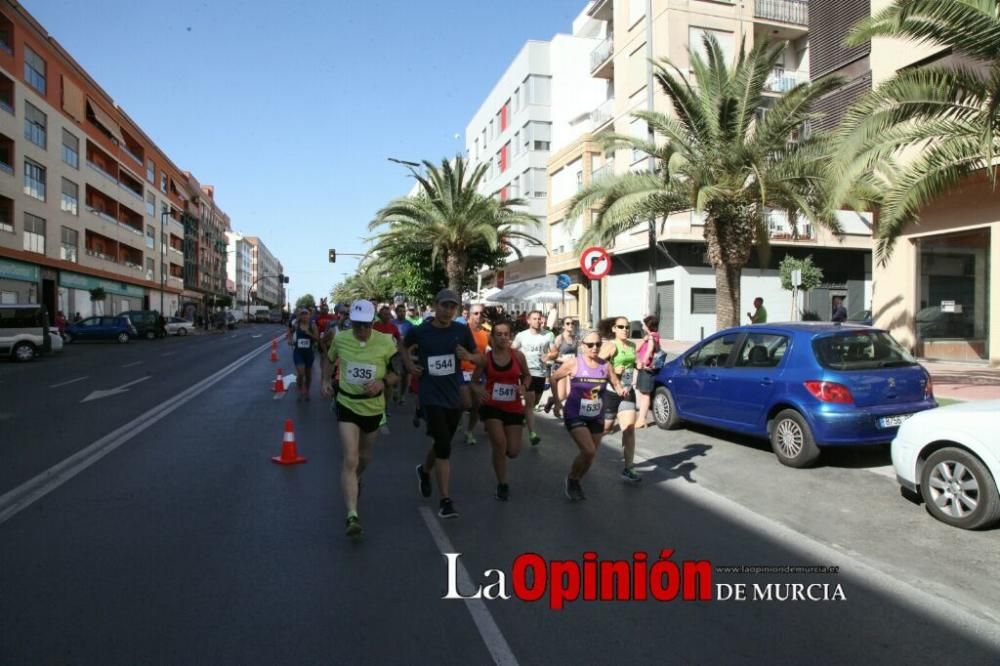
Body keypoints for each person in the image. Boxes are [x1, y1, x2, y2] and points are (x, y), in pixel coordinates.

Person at [401, 289, 481, 519]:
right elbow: (403, 346)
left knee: (442, 441)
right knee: (444, 445)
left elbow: (479, 357)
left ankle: (425, 470)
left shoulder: (460, 330)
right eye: (444, 306)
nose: (447, 311)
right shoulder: (421, 330)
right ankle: (446, 501)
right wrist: (409, 365)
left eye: (452, 307)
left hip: (453, 394)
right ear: (435, 305)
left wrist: (467, 355)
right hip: (430, 394)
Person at [322, 299, 398, 537]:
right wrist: (325, 381)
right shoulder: (341, 339)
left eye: (366, 325)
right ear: (351, 322)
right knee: (351, 458)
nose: (362, 330)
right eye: (357, 325)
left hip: (373, 408)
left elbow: (397, 373)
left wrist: (382, 382)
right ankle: (352, 515)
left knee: (364, 458)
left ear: (372, 323)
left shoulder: (386, 342)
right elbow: (329, 360)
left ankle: (356, 479)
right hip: (346, 404)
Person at [550, 329, 623, 501]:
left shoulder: (605, 366)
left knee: (590, 456)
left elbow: (616, 382)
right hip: (575, 414)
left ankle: (576, 479)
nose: (595, 348)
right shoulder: (574, 363)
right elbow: (554, 378)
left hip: (596, 416)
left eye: (598, 344)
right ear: (582, 346)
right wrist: (557, 401)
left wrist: (621, 390)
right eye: (590, 345)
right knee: (588, 450)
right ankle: (572, 479)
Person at [471, 320, 529, 501]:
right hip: (492, 406)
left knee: (513, 451)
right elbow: (473, 381)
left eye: (506, 334)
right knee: (500, 445)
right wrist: (479, 390)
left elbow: (527, 376)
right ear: (493, 337)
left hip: (513, 406)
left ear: (510, 336)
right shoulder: (485, 359)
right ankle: (502, 483)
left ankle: (499, 458)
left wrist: (524, 388)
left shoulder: (518, 356)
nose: (503, 337)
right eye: (499, 334)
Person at [599, 316, 642, 483]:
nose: (625, 329)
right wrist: (612, 369)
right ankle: (588, 448)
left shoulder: (632, 345)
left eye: (627, 327)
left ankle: (628, 467)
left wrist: (642, 364)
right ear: (614, 329)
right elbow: (596, 365)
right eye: (621, 327)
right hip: (610, 392)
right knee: (606, 428)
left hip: (627, 391)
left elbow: (635, 363)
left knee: (629, 429)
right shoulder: (610, 345)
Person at [512, 310, 556, 447]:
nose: (537, 321)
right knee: (530, 404)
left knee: (535, 401)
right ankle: (532, 434)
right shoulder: (521, 336)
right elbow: (513, 350)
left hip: (541, 373)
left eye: (539, 319)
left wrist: (548, 356)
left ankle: (524, 416)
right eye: (534, 318)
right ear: (528, 320)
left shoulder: (548, 335)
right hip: (526, 373)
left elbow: (554, 352)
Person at [460, 304, 491, 446]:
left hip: (478, 373)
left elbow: (490, 352)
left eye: (481, 313)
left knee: (477, 404)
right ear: (470, 315)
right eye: (476, 313)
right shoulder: (461, 330)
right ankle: (458, 415)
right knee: (466, 403)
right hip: (461, 372)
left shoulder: (486, 334)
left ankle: (469, 431)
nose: (479, 316)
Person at [544, 317, 578, 417]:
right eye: (567, 323)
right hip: (560, 368)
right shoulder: (559, 338)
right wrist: (563, 360)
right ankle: (552, 400)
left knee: (569, 393)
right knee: (562, 395)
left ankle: (566, 411)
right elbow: (552, 354)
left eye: (572, 323)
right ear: (563, 326)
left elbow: (575, 355)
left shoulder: (575, 338)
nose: (570, 325)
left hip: (571, 368)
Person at [287, 308, 320, 402]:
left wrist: (309, 333)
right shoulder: (297, 325)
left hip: (309, 353)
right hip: (298, 352)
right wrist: (289, 339)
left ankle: (307, 392)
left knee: (308, 375)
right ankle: (300, 391)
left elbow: (317, 338)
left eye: (306, 314)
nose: (304, 316)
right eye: (302, 314)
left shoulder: (312, 325)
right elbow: (290, 331)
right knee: (301, 373)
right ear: (300, 316)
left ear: (309, 316)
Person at [635, 316, 662, 429]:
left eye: (644, 324)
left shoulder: (652, 337)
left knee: (645, 394)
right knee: (643, 393)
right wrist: (644, 340)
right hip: (645, 368)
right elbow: (636, 349)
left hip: (647, 368)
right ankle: (641, 418)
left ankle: (642, 419)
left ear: (648, 325)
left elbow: (650, 350)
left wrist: (643, 362)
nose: (642, 326)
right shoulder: (651, 336)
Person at [391, 305, 413, 405]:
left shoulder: (409, 324)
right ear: (396, 312)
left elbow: (413, 339)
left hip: (406, 352)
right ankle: (395, 389)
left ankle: (403, 395)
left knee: (405, 375)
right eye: (400, 311)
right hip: (394, 352)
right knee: (396, 373)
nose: (402, 313)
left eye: (404, 311)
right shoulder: (392, 323)